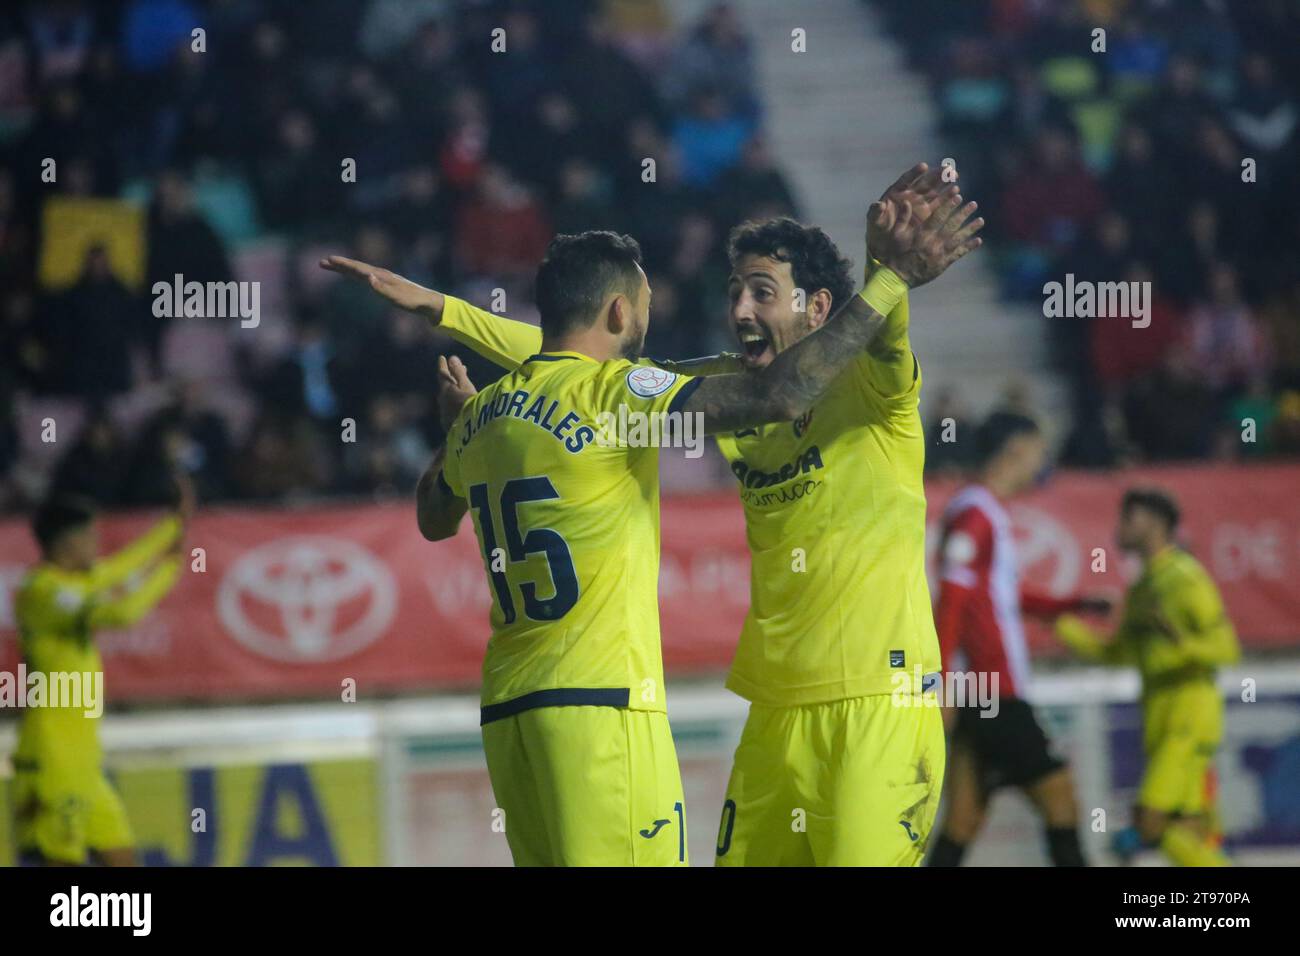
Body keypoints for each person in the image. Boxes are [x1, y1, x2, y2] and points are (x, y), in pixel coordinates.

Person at [325, 162, 983, 865]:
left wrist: (887, 270)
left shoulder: (873, 389)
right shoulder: (733, 388)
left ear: (819, 310)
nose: (740, 311)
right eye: (734, 292)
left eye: (763, 292)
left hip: (880, 701)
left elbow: (880, 332)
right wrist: (443, 311)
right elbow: (574, 366)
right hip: (776, 709)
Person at [927, 412, 1109, 867]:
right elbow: (950, 601)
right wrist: (940, 682)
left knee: (963, 818)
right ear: (1015, 450)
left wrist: (1072, 605)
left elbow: (1000, 594)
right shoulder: (975, 515)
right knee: (1060, 800)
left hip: (981, 691)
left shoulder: (980, 512)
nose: (1041, 461)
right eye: (1037, 450)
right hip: (994, 691)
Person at [12, 476, 193, 865]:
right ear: (67, 543)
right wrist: (167, 570)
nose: (98, 545)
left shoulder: (73, 583)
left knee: (123, 860)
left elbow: (117, 569)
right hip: (51, 764)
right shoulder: (41, 592)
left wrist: (172, 529)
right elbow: (122, 612)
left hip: (85, 765)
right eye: (91, 537)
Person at [1053, 488, 1240, 866]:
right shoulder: (1142, 588)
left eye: (1128, 518)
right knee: (1185, 828)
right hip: (1159, 717)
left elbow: (1226, 648)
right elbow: (1118, 654)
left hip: (1188, 714)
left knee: (1149, 821)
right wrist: (1061, 626)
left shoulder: (1184, 579)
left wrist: (1183, 645)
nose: (1118, 528)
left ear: (1155, 524)